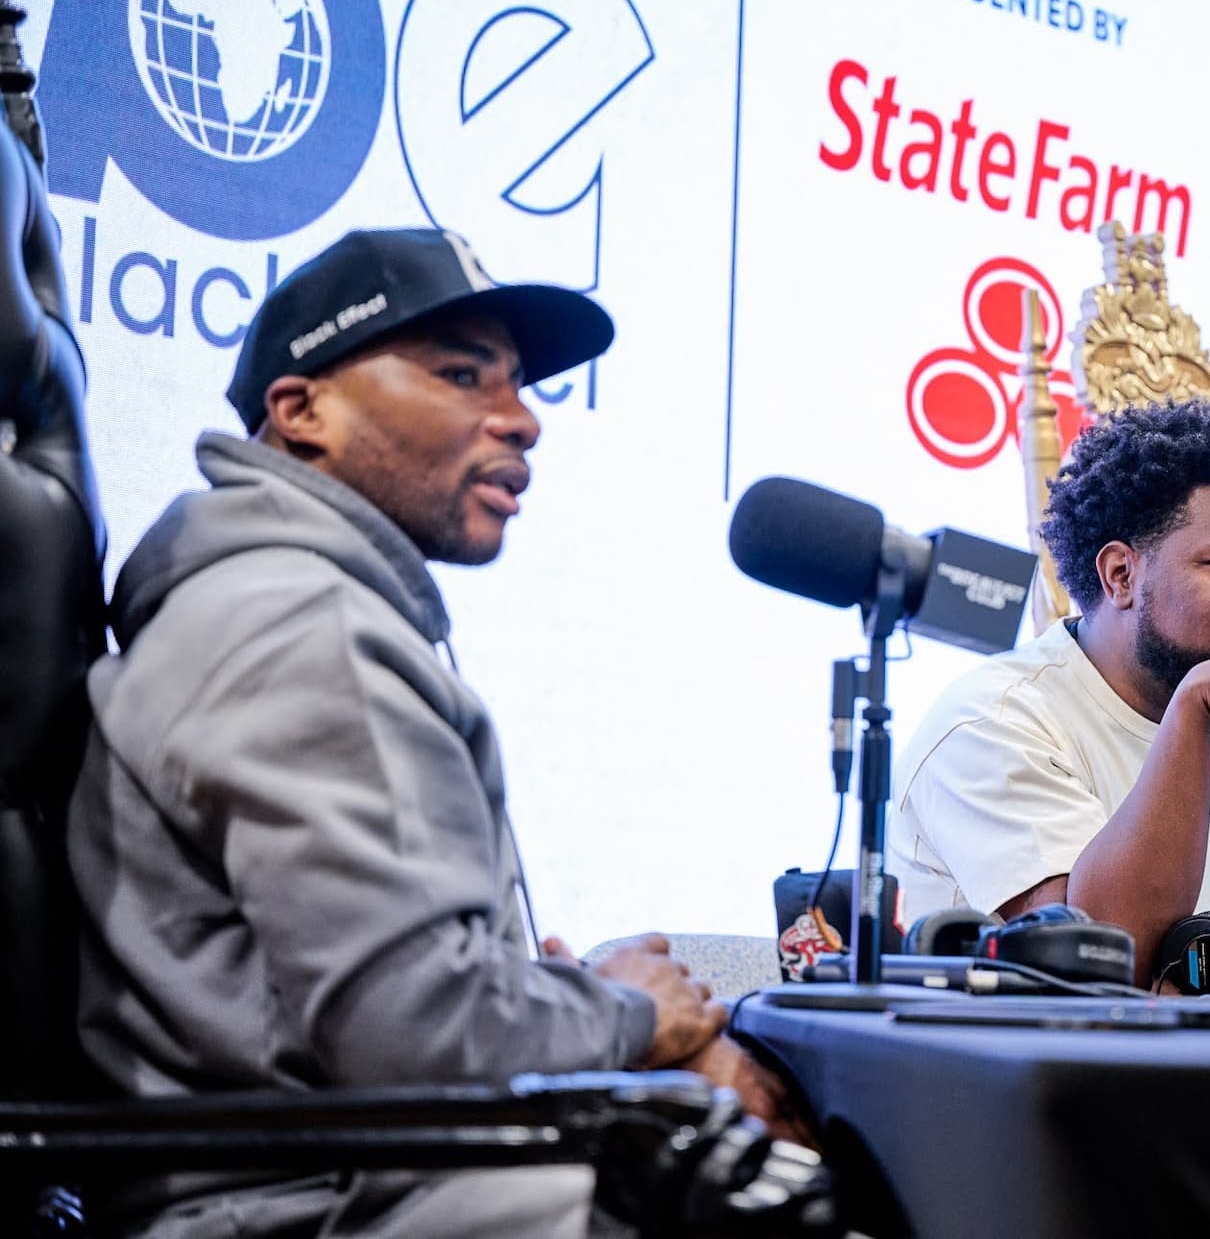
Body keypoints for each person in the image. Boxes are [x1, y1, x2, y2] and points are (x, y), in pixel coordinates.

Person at [64, 229, 793, 1238]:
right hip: (314, 1208)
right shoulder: (296, 623)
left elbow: (371, 996)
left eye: (519, 385)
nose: (523, 420)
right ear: (301, 409)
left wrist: (560, 996)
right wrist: (628, 1015)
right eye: (460, 374)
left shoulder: (291, 601)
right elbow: (414, 1030)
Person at [887, 401, 1210, 984]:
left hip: (1177, 1069)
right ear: (1121, 576)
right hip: (1011, 1069)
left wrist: (1202, 972)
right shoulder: (990, 722)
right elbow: (1097, 962)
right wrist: (1194, 709)